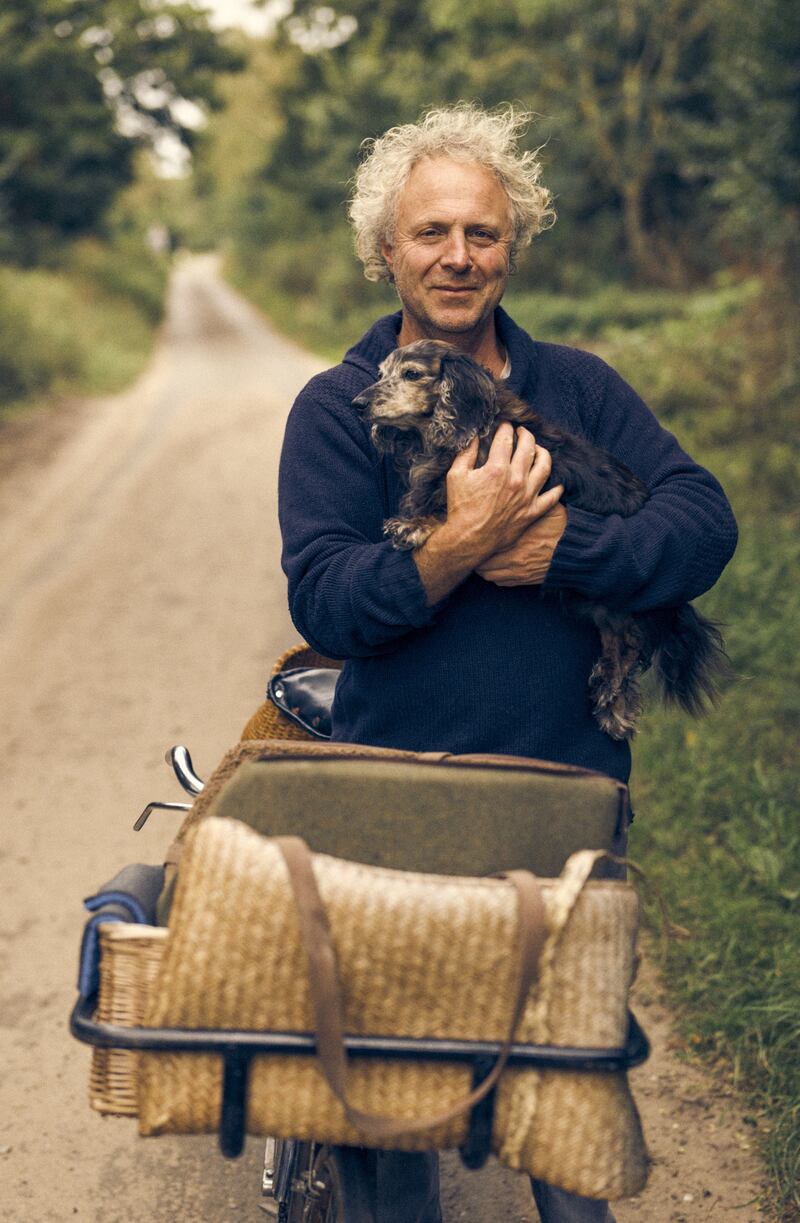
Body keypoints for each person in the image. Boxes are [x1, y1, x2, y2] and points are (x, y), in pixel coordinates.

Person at [278, 104, 737, 1223]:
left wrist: (563, 549)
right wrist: (459, 543)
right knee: (395, 1100)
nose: (456, 256)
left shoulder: (578, 385)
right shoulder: (336, 411)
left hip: (565, 799)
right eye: (429, 231)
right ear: (384, 249)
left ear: (511, 246)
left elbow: (702, 523)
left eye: (481, 233)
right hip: (400, 802)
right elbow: (330, 600)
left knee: (563, 1097)